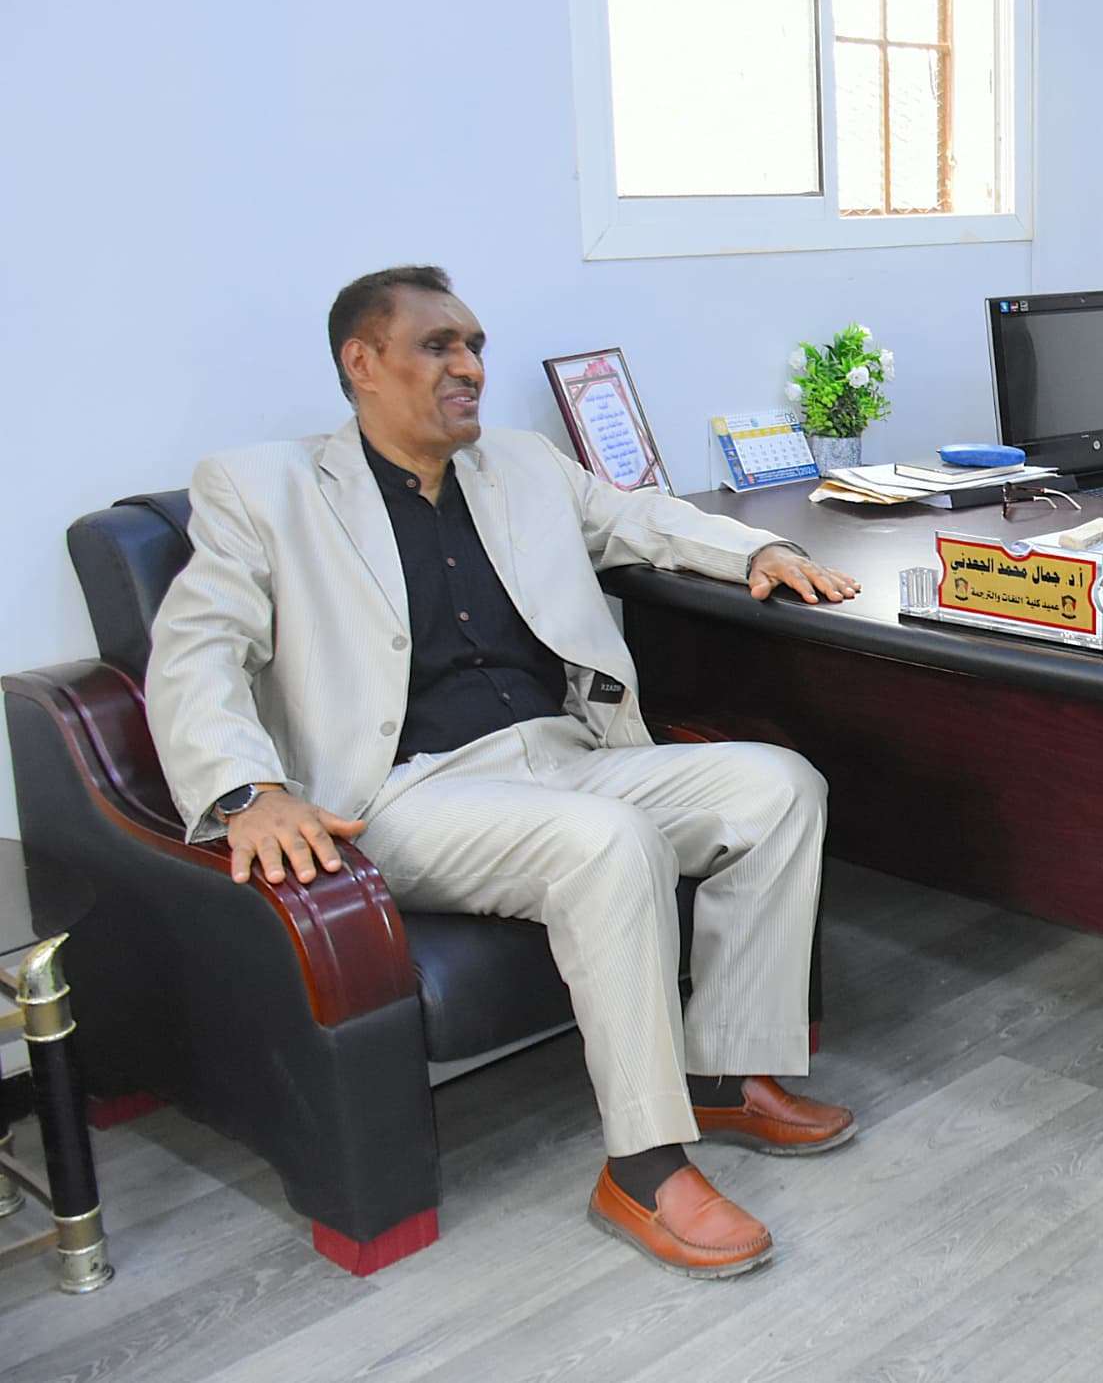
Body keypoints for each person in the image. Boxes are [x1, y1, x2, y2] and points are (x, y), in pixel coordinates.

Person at [147, 266, 864, 1280]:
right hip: (405, 792)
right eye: (438, 346)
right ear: (363, 361)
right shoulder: (264, 488)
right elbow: (197, 647)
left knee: (779, 786)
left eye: (475, 345)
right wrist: (245, 790)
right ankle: (645, 1168)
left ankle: (723, 1075)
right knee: (609, 843)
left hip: (565, 755)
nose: (470, 367)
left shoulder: (522, 462)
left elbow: (640, 517)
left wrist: (758, 550)